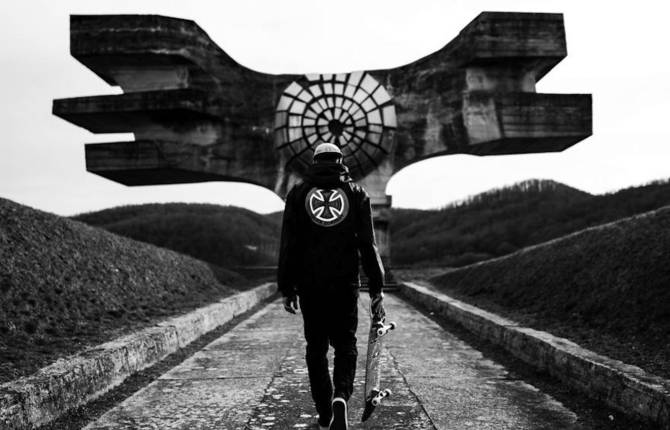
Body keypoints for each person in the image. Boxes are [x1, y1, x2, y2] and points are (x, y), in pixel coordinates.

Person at [277, 142, 386, 430]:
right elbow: (368, 245)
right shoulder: (357, 193)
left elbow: (288, 244)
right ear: (340, 160)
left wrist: (287, 287)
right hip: (345, 284)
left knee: (316, 348)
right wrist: (377, 287)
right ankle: (341, 396)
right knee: (346, 345)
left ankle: (325, 414)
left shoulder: (298, 194)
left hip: (310, 285)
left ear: (314, 162)